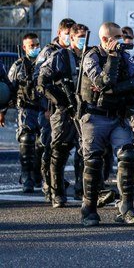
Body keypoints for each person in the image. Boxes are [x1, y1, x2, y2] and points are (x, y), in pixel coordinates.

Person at [79, 22, 134, 226]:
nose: (122, 40)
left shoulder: (125, 57)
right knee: (93, 161)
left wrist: (115, 90)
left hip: (118, 115)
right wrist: (112, 59)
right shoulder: (91, 57)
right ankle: (89, 208)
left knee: (127, 155)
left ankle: (126, 207)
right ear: (105, 39)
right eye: (118, 36)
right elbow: (102, 82)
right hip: (95, 116)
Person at [37, 23, 89, 207]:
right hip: (64, 112)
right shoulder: (60, 56)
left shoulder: (91, 56)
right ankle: (57, 192)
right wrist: (61, 101)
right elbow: (42, 81)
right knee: (59, 152)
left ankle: (85, 192)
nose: (83, 39)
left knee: (87, 153)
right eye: (80, 36)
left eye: (86, 35)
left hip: (85, 111)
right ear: (72, 38)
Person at [34, 18, 75, 203]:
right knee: (50, 147)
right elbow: (39, 79)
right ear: (60, 33)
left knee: (66, 148)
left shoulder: (73, 53)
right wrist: (49, 104)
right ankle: (49, 186)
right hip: (50, 107)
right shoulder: (50, 52)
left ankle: (61, 184)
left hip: (69, 107)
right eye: (67, 33)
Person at [7, 33, 43, 193]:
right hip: (26, 108)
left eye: (37, 44)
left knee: (43, 143)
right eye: (31, 46)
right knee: (27, 139)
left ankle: (37, 173)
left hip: (44, 108)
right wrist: (2, 111)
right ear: (24, 47)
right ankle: (26, 175)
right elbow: (9, 89)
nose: (35, 48)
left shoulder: (45, 63)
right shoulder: (18, 65)